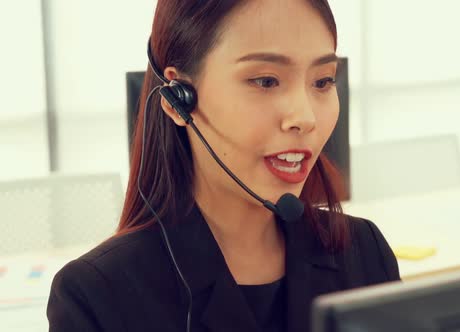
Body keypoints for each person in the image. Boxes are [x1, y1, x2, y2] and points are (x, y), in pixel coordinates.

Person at [47, 0, 400, 331]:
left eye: (323, 81)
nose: (305, 117)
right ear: (177, 99)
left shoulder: (364, 252)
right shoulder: (97, 297)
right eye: (265, 81)